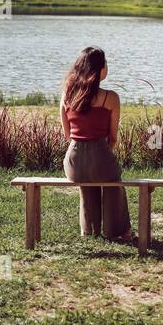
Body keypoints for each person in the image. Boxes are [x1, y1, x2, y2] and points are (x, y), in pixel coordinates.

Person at [60, 46, 135, 242]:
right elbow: (113, 137)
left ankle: (89, 230)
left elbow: (68, 135)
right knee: (112, 183)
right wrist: (100, 154)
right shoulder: (111, 98)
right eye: (106, 63)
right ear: (99, 69)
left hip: (73, 163)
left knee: (87, 181)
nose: (107, 66)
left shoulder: (67, 95)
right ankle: (119, 231)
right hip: (100, 154)